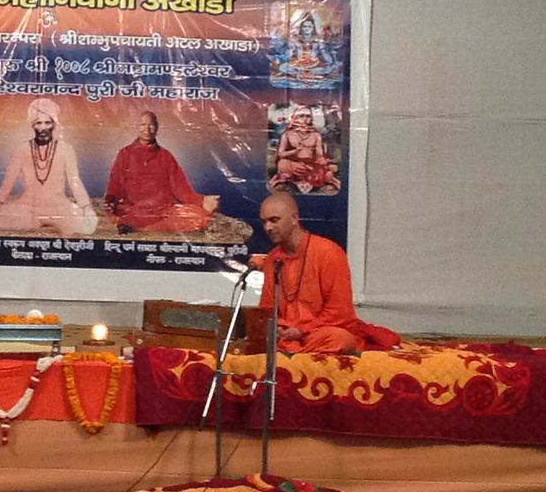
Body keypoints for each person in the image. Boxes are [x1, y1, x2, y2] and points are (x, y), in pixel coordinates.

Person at [253, 193, 398, 354]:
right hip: (287, 337)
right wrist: (279, 329)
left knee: (340, 339)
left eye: (274, 220)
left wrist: (301, 330)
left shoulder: (328, 253)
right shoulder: (273, 258)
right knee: (261, 339)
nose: (268, 228)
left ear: (294, 218)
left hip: (318, 333)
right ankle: (294, 354)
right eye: (264, 222)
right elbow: (267, 309)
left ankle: (292, 356)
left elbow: (340, 312)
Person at [0, 98, 97, 236]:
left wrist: (86, 207)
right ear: (33, 125)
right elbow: (9, 179)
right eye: (38, 123)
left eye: (47, 123)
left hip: (58, 206)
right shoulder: (22, 149)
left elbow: (74, 181)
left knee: (86, 226)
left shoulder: (66, 149)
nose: (43, 128)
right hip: (29, 206)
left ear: (54, 124)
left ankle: (51, 221)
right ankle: (39, 222)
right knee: (2, 220)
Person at [103, 111, 218, 233]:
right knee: (126, 215)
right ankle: (137, 226)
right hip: (134, 211)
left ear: (157, 128)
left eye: (151, 125)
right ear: (137, 127)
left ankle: (142, 230)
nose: (147, 129)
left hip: (164, 212)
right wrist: (110, 201)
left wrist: (202, 200)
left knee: (200, 216)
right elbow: (114, 185)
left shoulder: (166, 156)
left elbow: (181, 190)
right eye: (143, 124)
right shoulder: (125, 154)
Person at [270, 106, 341, 194]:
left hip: (311, 165)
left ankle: (299, 179)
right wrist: (295, 151)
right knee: (282, 164)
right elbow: (280, 154)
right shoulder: (287, 134)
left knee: (323, 171)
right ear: (295, 118)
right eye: (301, 116)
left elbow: (319, 155)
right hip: (293, 164)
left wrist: (323, 161)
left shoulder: (316, 135)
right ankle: (292, 178)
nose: (305, 119)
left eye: (308, 116)